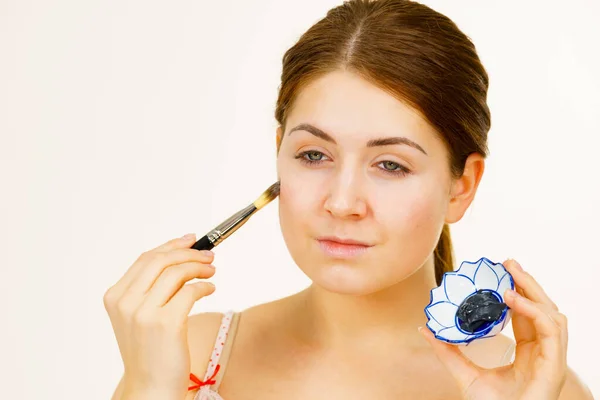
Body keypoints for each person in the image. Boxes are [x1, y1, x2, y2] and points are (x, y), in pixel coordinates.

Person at [104, 0, 593, 399]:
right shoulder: (186, 355)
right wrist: (150, 389)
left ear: (461, 186)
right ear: (279, 153)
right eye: (314, 155)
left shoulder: (538, 389)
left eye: (391, 165)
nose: (342, 203)